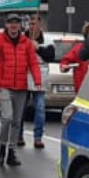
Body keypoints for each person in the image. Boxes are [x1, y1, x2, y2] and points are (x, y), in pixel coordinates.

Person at [0, 14, 40, 167]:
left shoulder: (26, 43)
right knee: (7, 117)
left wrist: (37, 80)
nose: (14, 25)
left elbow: (33, 63)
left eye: (16, 22)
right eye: (11, 22)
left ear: (20, 26)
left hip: (21, 87)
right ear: (6, 25)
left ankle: (11, 151)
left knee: (17, 121)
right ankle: (2, 147)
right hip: (4, 86)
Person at [23, 16, 56, 149]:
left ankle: (38, 137)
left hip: (40, 77)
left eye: (34, 24)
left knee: (40, 108)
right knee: (20, 108)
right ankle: (19, 135)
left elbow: (50, 56)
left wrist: (38, 48)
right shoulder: (22, 38)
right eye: (30, 24)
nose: (32, 26)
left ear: (40, 25)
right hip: (23, 75)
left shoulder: (48, 40)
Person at [60, 21, 89, 93]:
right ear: (87, 33)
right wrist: (64, 67)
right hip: (82, 87)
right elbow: (66, 61)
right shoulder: (79, 48)